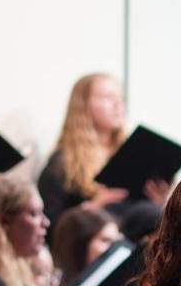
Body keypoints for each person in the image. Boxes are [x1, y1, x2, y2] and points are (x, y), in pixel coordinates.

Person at [37, 72, 130, 232]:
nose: (117, 103)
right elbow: (50, 228)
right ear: (83, 105)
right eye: (107, 97)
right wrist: (94, 207)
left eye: (120, 97)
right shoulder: (62, 163)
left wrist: (161, 199)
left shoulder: (132, 153)